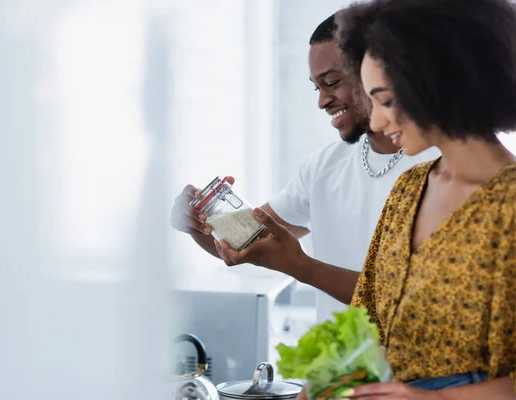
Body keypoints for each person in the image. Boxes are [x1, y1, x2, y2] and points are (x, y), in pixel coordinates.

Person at [327, 0, 516, 398]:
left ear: (438, 82)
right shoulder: (408, 189)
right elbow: (368, 320)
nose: (376, 121)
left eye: (387, 100)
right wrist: (331, 382)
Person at [170, 14, 439, 323]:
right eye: (317, 88)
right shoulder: (324, 168)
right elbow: (247, 246)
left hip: (415, 372)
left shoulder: (442, 169)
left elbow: (419, 304)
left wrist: (301, 266)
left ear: (378, 73)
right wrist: (197, 220)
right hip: (338, 372)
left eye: (333, 83)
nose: (323, 101)